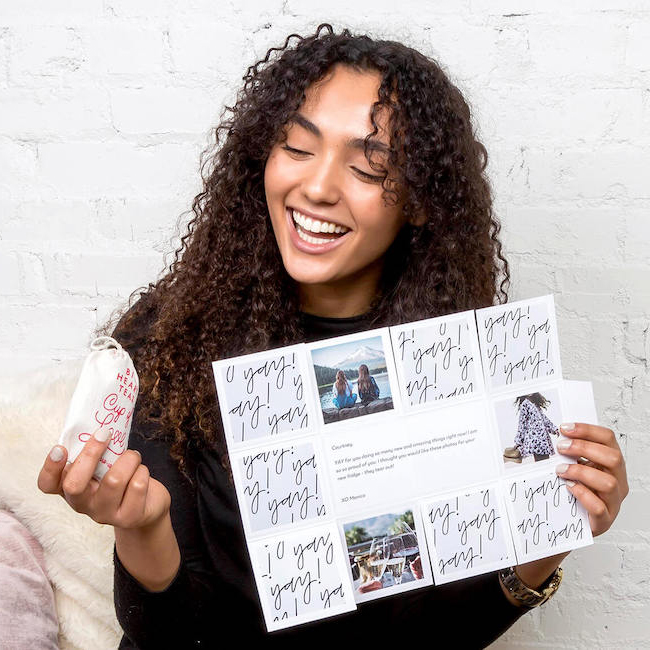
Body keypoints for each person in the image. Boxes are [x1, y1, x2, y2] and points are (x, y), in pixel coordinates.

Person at [37, 24, 628, 649]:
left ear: (421, 200)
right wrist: (144, 529)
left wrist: (549, 539)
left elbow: (425, 640)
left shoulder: (464, 365)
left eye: (370, 166)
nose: (318, 187)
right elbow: (171, 637)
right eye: (296, 146)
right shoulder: (171, 341)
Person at [513, 393, 560, 462]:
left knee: (545, 460)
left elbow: (544, 419)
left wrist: (554, 429)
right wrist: (518, 441)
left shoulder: (535, 403)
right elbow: (522, 423)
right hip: (534, 440)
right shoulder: (525, 404)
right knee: (541, 461)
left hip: (543, 439)